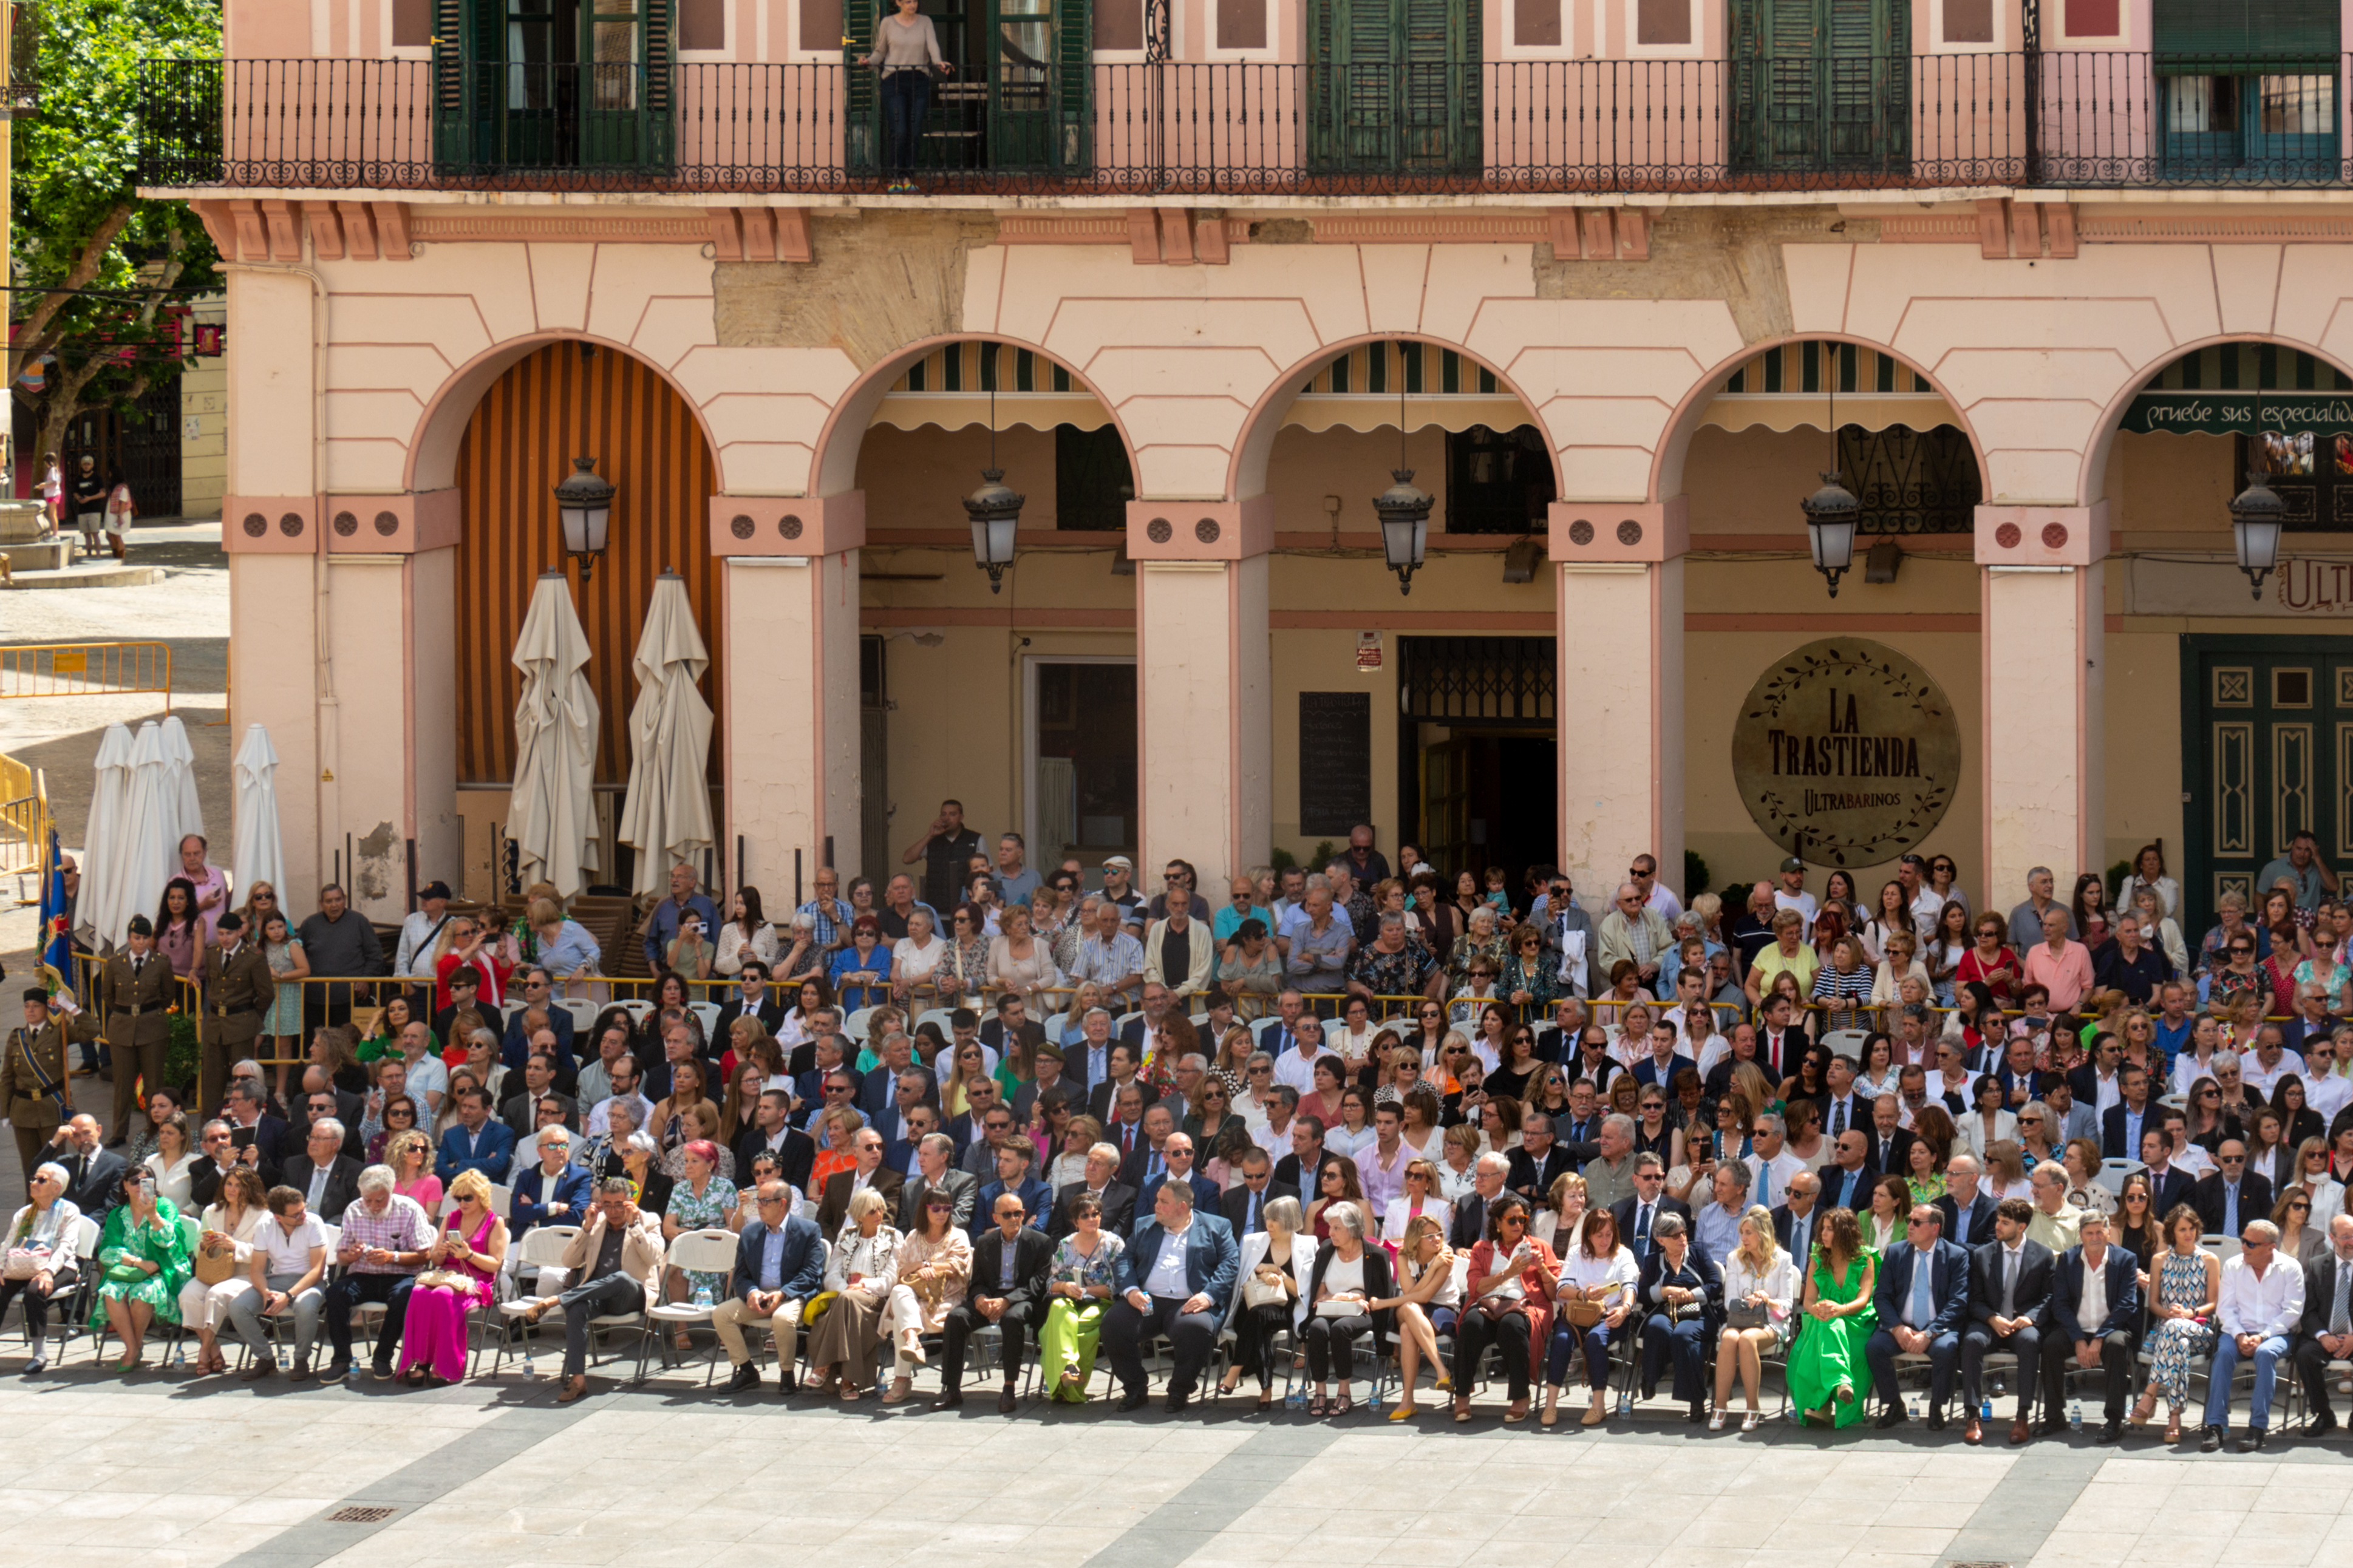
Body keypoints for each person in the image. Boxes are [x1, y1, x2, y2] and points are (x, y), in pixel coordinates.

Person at [516, 1179, 664, 1403]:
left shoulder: (649, 1220)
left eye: (619, 1205)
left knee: (621, 1278)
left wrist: (635, 1227)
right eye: (607, 1205)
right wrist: (586, 1228)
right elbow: (568, 1261)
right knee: (576, 1310)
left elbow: (655, 1258)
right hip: (595, 1294)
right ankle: (578, 1380)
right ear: (600, 1204)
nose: (613, 1211)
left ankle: (557, 1299)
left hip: (632, 1294)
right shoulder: (597, 1222)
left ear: (630, 1202)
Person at [1105, 1179, 1238, 1412]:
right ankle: (1135, 1387)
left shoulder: (1217, 1226)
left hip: (1190, 1301)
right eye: (1157, 1199)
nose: (1156, 1205)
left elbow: (1230, 1264)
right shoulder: (1144, 1225)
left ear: (1182, 1207)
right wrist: (1131, 1290)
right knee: (1113, 1324)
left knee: (1196, 1328)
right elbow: (1124, 1260)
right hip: (1147, 1299)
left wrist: (1209, 1296)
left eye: (1163, 1202)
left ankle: (1180, 1390)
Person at [2201, 1217, 2305, 1451]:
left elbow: (2293, 1312)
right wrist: (2239, 1336)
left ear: (2270, 1248)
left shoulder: (2290, 1268)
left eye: (2251, 1244)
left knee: (2266, 1353)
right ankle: (2215, 1426)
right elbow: (2225, 1309)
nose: (2243, 1247)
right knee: (2223, 1354)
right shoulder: (2233, 1266)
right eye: (2243, 1241)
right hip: (2237, 1331)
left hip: (2276, 1334)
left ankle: (2257, 1427)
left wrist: (2263, 1336)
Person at [320, 1164, 432, 1382]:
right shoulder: (354, 1208)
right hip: (362, 1274)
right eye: (367, 1200)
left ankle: (382, 1357)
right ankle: (341, 1359)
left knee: (405, 1296)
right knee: (335, 1293)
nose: (372, 1206)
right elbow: (342, 1257)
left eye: (378, 1200)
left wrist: (393, 1257)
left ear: (391, 1193)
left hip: (401, 1275)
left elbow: (424, 1255)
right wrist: (351, 1255)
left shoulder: (410, 1209)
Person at [1452, 1192, 1557, 1424]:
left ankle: (1521, 1396)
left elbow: (1553, 1294)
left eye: (1523, 1220)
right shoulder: (1482, 1248)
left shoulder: (1539, 1247)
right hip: (1488, 1303)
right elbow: (1475, 1287)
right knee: (1471, 1325)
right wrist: (1507, 1274)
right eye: (1512, 1220)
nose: (1518, 1225)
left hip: (1525, 1306)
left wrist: (1542, 1270)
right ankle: (1461, 1394)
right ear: (1498, 1223)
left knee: (1512, 1325)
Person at [2040, 1209, 2143, 1444]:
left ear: (2108, 1233)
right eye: (2089, 1233)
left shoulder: (2126, 1259)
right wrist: (2078, 1340)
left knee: (2116, 1346)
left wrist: (2098, 1339)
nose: (2095, 1237)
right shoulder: (2067, 1259)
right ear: (2081, 1235)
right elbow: (2061, 1304)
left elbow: (2127, 1305)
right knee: (2051, 1345)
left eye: (2100, 1232)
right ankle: (2054, 1417)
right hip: (2076, 1327)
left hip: (2113, 1327)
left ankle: (2114, 1420)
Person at [397, 1167, 505, 1386]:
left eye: (468, 1198)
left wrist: (470, 1255)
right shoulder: (451, 1217)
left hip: (478, 1280)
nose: (462, 1203)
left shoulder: (495, 1222)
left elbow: (495, 1264)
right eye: (458, 1198)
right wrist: (442, 1252)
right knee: (418, 1292)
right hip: (446, 1274)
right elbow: (435, 1259)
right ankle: (422, 1361)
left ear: (481, 1196)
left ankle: (444, 1364)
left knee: (443, 1295)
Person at [1959, 1196, 2054, 1445]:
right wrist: (1991, 1318)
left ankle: (2022, 1416)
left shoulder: (2043, 1255)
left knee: (2031, 1342)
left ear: (2021, 1227)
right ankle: (1972, 1415)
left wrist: (2030, 1317)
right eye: (1998, 1221)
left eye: (2005, 1223)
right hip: (1991, 1322)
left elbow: (2050, 1296)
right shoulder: (1982, 1255)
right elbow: (1973, 1299)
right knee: (1972, 1340)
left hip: (2022, 1324)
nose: (1997, 1227)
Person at [1864, 1203, 1967, 1429]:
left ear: (1935, 1229)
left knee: (1946, 1350)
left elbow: (1958, 1302)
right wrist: (1896, 1328)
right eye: (1910, 1220)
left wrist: (1930, 1333)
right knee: (1875, 1347)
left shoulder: (1956, 1256)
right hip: (1902, 1325)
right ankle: (1894, 1405)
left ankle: (1936, 1407)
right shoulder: (1896, 1251)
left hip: (1939, 1328)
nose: (1909, 1226)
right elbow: (1881, 1297)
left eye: (1917, 1222)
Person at [2131, 1204, 2222, 1444]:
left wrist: (2189, 1313)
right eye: (2182, 1229)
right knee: (2178, 1344)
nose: (2188, 1234)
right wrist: (2169, 1314)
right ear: (2172, 1232)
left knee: (2175, 1331)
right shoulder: (2159, 1260)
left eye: (2192, 1228)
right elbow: (2153, 1305)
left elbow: (2213, 1303)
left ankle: (2150, 1393)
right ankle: (2174, 1419)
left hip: (2200, 1329)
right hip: (2168, 1333)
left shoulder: (2209, 1260)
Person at [227, 1184, 327, 1380]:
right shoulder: (265, 1226)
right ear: (278, 1217)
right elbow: (256, 1270)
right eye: (296, 1214)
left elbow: (317, 1270)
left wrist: (288, 1295)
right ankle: (265, 1358)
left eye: (303, 1209)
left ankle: (301, 1360)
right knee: (238, 1307)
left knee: (305, 1306)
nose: (303, 1216)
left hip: (310, 1282)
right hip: (277, 1281)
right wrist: (265, 1292)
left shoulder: (314, 1223)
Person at [1713, 1204, 1795, 1431]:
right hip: (1740, 1319)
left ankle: (1753, 1407)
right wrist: (1748, 1303)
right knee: (1730, 1338)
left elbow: (1787, 1307)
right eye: (1742, 1233)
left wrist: (1767, 1300)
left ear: (1763, 1234)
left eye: (1749, 1233)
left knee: (1748, 1339)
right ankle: (1720, 1407)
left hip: (1772, 1321)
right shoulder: (1734, 1259)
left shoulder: (1783, 1259)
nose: (1744, 1238)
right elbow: (1730, 1302)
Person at [1038, 1190, 1124, 1401]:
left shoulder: (1114, 1244)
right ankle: (1070, 1367)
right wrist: (1067, 1287)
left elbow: (1118, 1285)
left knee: (1075, 1326)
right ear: (1075, 1221)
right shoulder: (1066, 1244)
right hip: (1069, 1300)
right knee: (1059, 1309)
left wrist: (1086, 1291)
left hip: (1101, 1302)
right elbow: (1051, 1283)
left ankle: (1065, 1386)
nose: (1092, 1219)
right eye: (1085, 1216)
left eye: (1096, 1214)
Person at [95, 915, 176, 1141]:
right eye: (136, 938)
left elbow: (168, 995)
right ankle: (119, 1133)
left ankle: (155, 1130)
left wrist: (149, 1011)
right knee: (122, 1085)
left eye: (145, 938)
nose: (140, 942)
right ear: (129, 938)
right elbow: (107, 996)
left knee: (154, 1084)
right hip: (122, 1028)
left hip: (152, 1027)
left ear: (150, 939)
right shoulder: (114, 963)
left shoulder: (161, 962)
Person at [0, 1162, 83, 1374]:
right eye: (34, 1179)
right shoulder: (25, 1213)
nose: (34, 1183)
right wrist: (1, 1268)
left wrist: (48, 1271)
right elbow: (8, 1244)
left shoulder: (69, 1211)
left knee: (35, 1291)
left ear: (57, 1187)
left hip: (60, 1265)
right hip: (23, 1263)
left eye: (41, 1180)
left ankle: (40, 1353)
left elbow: (67, 1247)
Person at [1637, 1211, 1718, 1423]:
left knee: (1682, 1336)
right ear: (1660, 1240)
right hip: (1665, 1310)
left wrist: (1691, 1294)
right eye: (1675, 1236)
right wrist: (1663, 1292)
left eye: (1684, 1233)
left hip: (1697, 1312)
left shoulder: (1699, 1251)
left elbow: (1715, 1283)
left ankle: (1696, 1399)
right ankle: (1651, 1375)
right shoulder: (1653, 1260)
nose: (1683, 1238)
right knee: (1657, 1328)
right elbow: (1643, 1292)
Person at [197, 912, 280, 1117]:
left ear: (240, 932)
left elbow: (266, 993)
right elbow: (212, 984)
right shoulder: (212, 953)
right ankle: (209, 1126)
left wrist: (252, 1017)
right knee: (212, 1080)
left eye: (229, 934)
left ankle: (244, 1123)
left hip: (241, 1023)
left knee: (243, 1079)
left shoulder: (253, 957)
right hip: (215, 1023)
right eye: (221, 933)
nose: (225, 938)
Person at [2292, 1213, 2353, 1438]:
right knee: (2305, 1354)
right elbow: (2307, 1312)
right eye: (2346, 1236)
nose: (2351, 1241)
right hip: (2325, 1335)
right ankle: (2324, 1414)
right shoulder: (2317, 1266)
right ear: (2332, 1238)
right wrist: (2322, 1335)